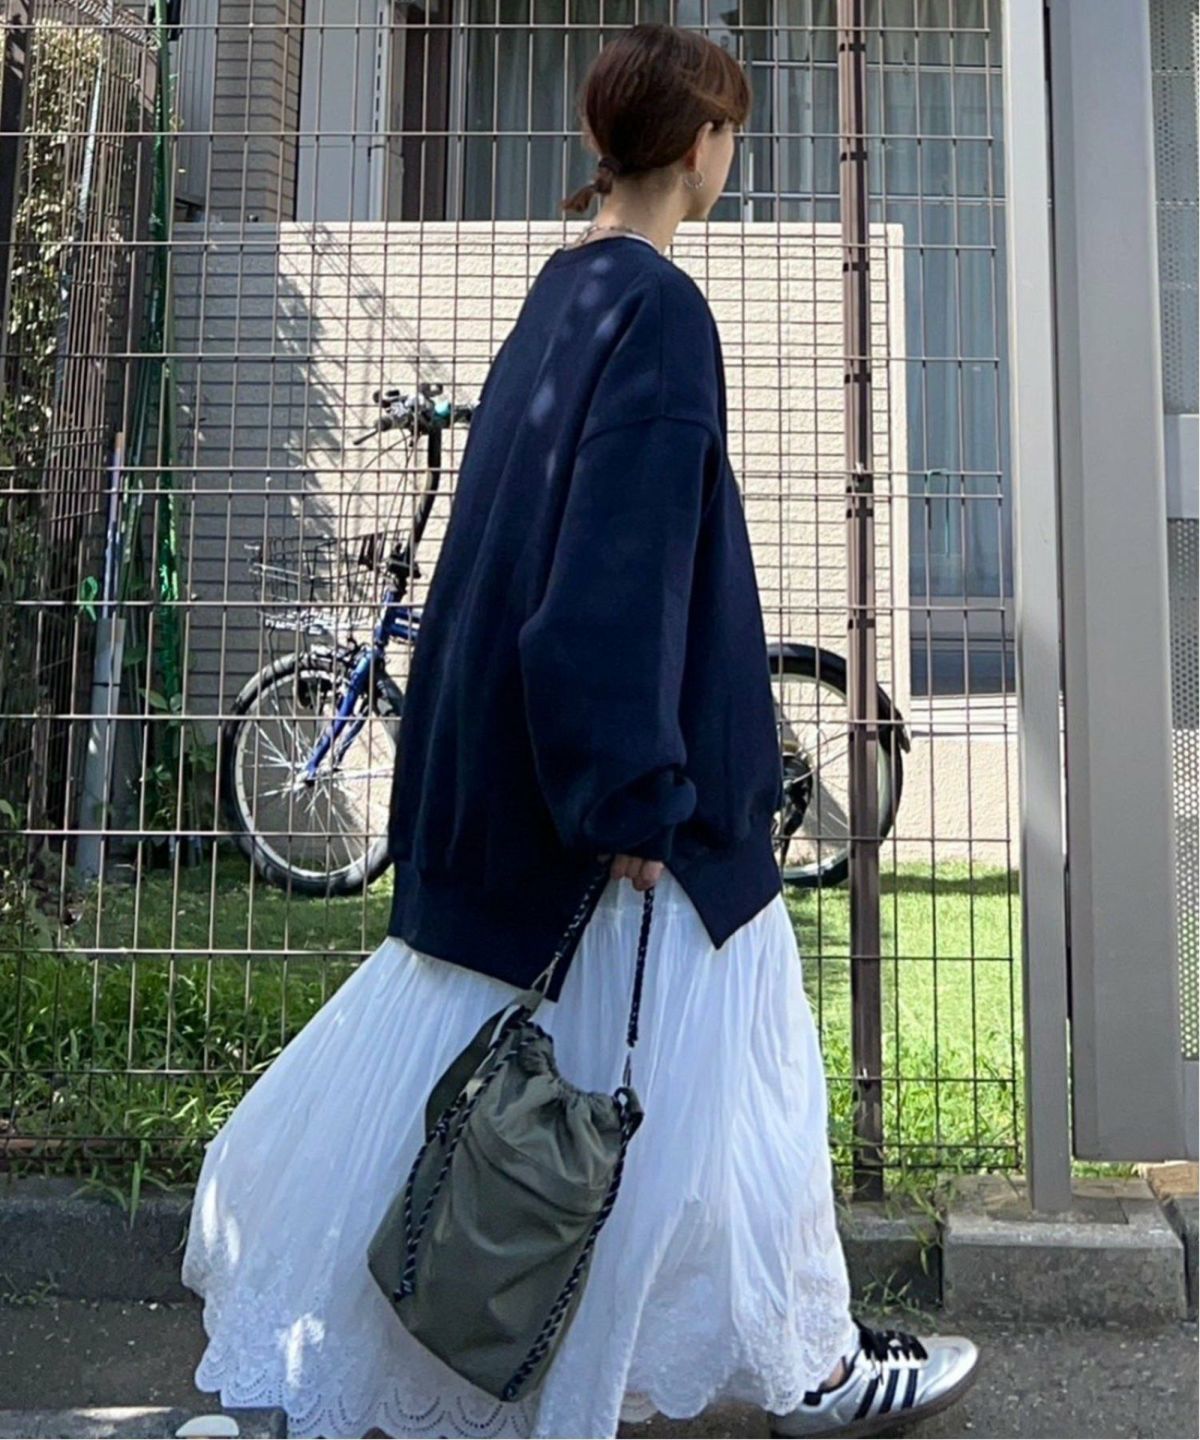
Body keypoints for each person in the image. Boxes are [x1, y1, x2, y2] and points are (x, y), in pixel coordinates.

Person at [181, 21, 979, 1440]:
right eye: (730, 132)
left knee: (536, 1082)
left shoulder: (566, 289)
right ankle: (807, 1371)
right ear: (700, 147)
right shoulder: (659, 310)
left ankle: (782, 1357)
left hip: (517, 788)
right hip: (636, 809)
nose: (733, 156)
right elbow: (614, 573)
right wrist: (629, 794)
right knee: (727, 1082)